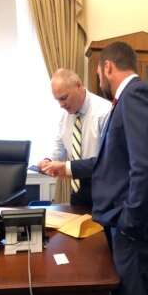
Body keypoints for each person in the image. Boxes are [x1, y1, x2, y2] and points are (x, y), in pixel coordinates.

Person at [41, 42, 148, 295]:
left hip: (136, 229)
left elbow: (147, 169)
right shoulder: (125, 102)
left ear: (107, 66)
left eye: (99, 76)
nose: (99, 82)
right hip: (125, 222)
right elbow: (113, 164)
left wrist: (129, 224)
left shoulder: (137, 95)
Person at [38, 68, 111, 206]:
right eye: (57, 100)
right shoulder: (65, 117)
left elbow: (107, 159)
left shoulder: (105, 112)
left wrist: (66, 167)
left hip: (103, 189)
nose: (61, 105)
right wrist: (49, 161)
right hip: (77, 188)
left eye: (63, 98)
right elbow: (59, 146)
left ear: (78, 84)